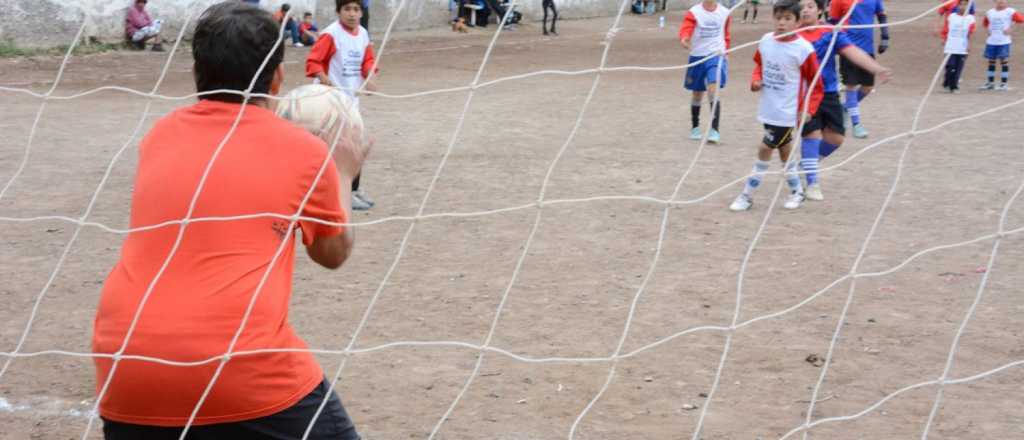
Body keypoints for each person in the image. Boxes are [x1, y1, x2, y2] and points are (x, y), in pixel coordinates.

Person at [92, 3, 362, 439]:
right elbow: (332, 254)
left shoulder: (159, 136)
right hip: (242, 366)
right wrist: (344, 171)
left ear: (196, 72)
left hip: (124, 365)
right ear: (277, 77)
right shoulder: (303, 151)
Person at [730, 0, 823, 212]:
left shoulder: (803, 49)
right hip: (768, 108)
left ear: (798, 22)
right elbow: (759, 65)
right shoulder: (766, 41)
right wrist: (755, 80)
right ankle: (797, 191)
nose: (782, 23)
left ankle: (747, 195)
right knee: (784, 152)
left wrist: (808, 109)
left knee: (765, 148)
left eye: (788, 19)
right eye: (778, 18)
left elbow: (816, 84)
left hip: (787, 112)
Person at [796, 0, 892, 200]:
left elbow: (852, 51)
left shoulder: (830, 33)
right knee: (812, 135)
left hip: (828, 92)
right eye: (801, 6)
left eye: (810, 6)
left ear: (820, 10)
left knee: (836, 138)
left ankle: (805, 165)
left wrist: (876, 68)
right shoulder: (792, 35)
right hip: (803, 95)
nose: (805, 10)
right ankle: (812, 183)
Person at [307, 0, 379, 211]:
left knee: (355, 142)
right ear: (338, 11)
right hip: (329, 101)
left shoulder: (363, 34)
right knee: (336, 146)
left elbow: (368, 60)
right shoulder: (331, 34)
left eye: (356, 9)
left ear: (361, 12)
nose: (352, 14)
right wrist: (324, 79)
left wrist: (370, 76)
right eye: (347, 9)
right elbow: (314, 61)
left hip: (351, 99)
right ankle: (339, 191)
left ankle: (353, 190)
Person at [829, 0, 889, 139]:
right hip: (848, 48)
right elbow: (832, 23)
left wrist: (885, 37)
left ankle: (845, 108)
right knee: (851, 85)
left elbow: (881, 15)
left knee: (867, 88)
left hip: (867, 48)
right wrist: (833, 45)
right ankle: (856, 124)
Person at [679, 0, 732, 144]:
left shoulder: (724, 13)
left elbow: (726, 34)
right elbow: (686, 28)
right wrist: (685, 38)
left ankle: (715, 130)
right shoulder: (694, 12)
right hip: (698, 56)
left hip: (716, 55)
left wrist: (726, 51)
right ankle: (695, 127)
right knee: (697, 94)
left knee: (713, 88)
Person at [979, 0, 1024, 90]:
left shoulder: (1010, 11)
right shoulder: (990, 12)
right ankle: (990, 83)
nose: (1001, 2)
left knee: (1004, 61)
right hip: (992, 41)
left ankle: (1004, 84)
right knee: (991, 61)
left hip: (1004, 41)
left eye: (1003, 1)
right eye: (999, 1)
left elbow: (1021, 20)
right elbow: (985, 23)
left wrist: (1011, 29)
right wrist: (987, 31)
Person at [942, 0, 977, 93]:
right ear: (957, 6)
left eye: (965, 5)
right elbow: (946, 29)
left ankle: (954, 86)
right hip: (950, 46)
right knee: (950, 66)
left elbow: (970, 33)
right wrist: (944, 39)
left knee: (958, 68)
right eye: (961, 5)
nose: (963, 7)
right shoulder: (952, 17)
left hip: (962, 48)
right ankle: (947, 82)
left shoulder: (970, 19)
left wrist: (969, 45)